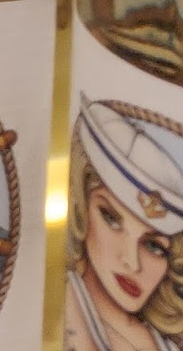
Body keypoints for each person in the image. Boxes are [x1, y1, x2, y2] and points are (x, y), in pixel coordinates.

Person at [64, 96, 183, 351]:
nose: (131, 262)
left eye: (154, 246)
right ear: (81, 208)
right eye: (111, 219)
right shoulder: (60, 306)